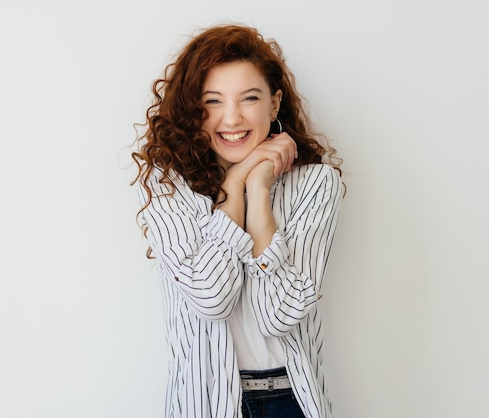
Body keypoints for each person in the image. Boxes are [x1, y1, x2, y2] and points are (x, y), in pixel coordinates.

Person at [131, 23, 343, 418]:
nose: (231, 118)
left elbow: (277, 314)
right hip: (205, 402)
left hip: (290, 399)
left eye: (249, 98)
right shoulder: (169, 187)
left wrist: (258, 192)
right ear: (194, 109)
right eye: (213, 101)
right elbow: (211, 297)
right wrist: (235, 183)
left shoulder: (315, 183)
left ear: (274, 104)